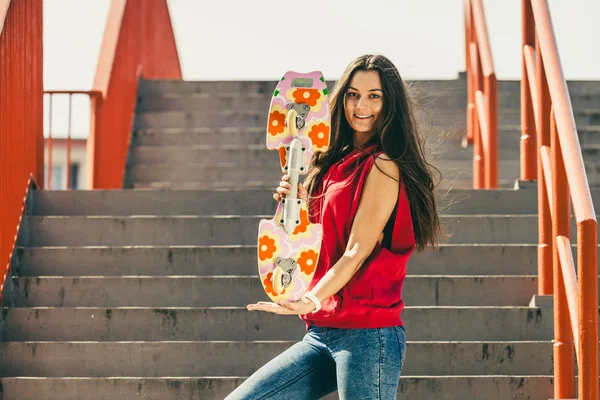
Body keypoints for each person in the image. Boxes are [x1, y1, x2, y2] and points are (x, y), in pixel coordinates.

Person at [225, 54, 442, 400]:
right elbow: (321, 242)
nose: (361, 105)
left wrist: (310, 298)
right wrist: (296, 202)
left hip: (368, 335)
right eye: (353, 94)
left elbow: (356, 251)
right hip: (322, 331)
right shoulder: (330, 165)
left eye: (375, 96)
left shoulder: (384, 165)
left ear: (390, 103)